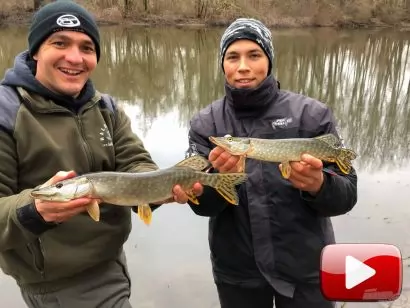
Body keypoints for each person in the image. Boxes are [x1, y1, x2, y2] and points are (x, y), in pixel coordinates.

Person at [0, 1, 197, 307]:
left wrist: (153, 188)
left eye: (87, 47)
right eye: (59, 43)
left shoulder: (105, 107)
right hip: (60, 283)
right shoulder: (6, 113)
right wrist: (34, 211)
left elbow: (135, 161)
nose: (75, 57)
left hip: (111, 264)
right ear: (36, 50)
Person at [185, 18, 358, 308]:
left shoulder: (312, 115)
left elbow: (347, 195)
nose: (243, 67)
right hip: (239, 275)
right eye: (232, 57)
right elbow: (200, 206)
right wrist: (217, 181)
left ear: (269, 59)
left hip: (307, 271)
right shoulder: (206, 124)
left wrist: (320, 185)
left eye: (254, 55)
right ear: (222, 64)